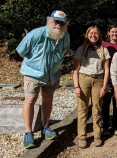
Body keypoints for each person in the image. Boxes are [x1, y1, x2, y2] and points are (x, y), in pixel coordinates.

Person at [16, 10, 70, 149]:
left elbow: (66, 51)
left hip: (53, 74)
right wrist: (34, 63)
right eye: (56, 21)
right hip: (33, 74)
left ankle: (45, 127)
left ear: (65, 24)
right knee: (30, 101)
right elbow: (21, 51)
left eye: (61, 22)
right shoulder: (36, 34)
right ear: (50, 20)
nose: (58, 24)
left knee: (48, 99)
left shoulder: (65, 36)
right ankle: (28, 133)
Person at [73, 26, 110, 148]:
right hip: (83, 79)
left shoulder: (103, 50)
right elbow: (75, 70)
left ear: (99, 35)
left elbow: (106, 69)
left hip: (98, 79)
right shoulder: (81, 49)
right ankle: (82, 137)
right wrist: (76, 86)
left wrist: (104, 86)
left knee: (97, 109)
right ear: (87, 34)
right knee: (82, 110)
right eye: (91, 33)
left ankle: (97, 135)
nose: (93, 35)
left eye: (96, 33)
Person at [102, 24, 117, 137]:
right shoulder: (103, 45)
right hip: (106, 79)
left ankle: (116, 126)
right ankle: (105, 126)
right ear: (108, 32)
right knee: (105, 104)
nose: (115, 34)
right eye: (112, 32)